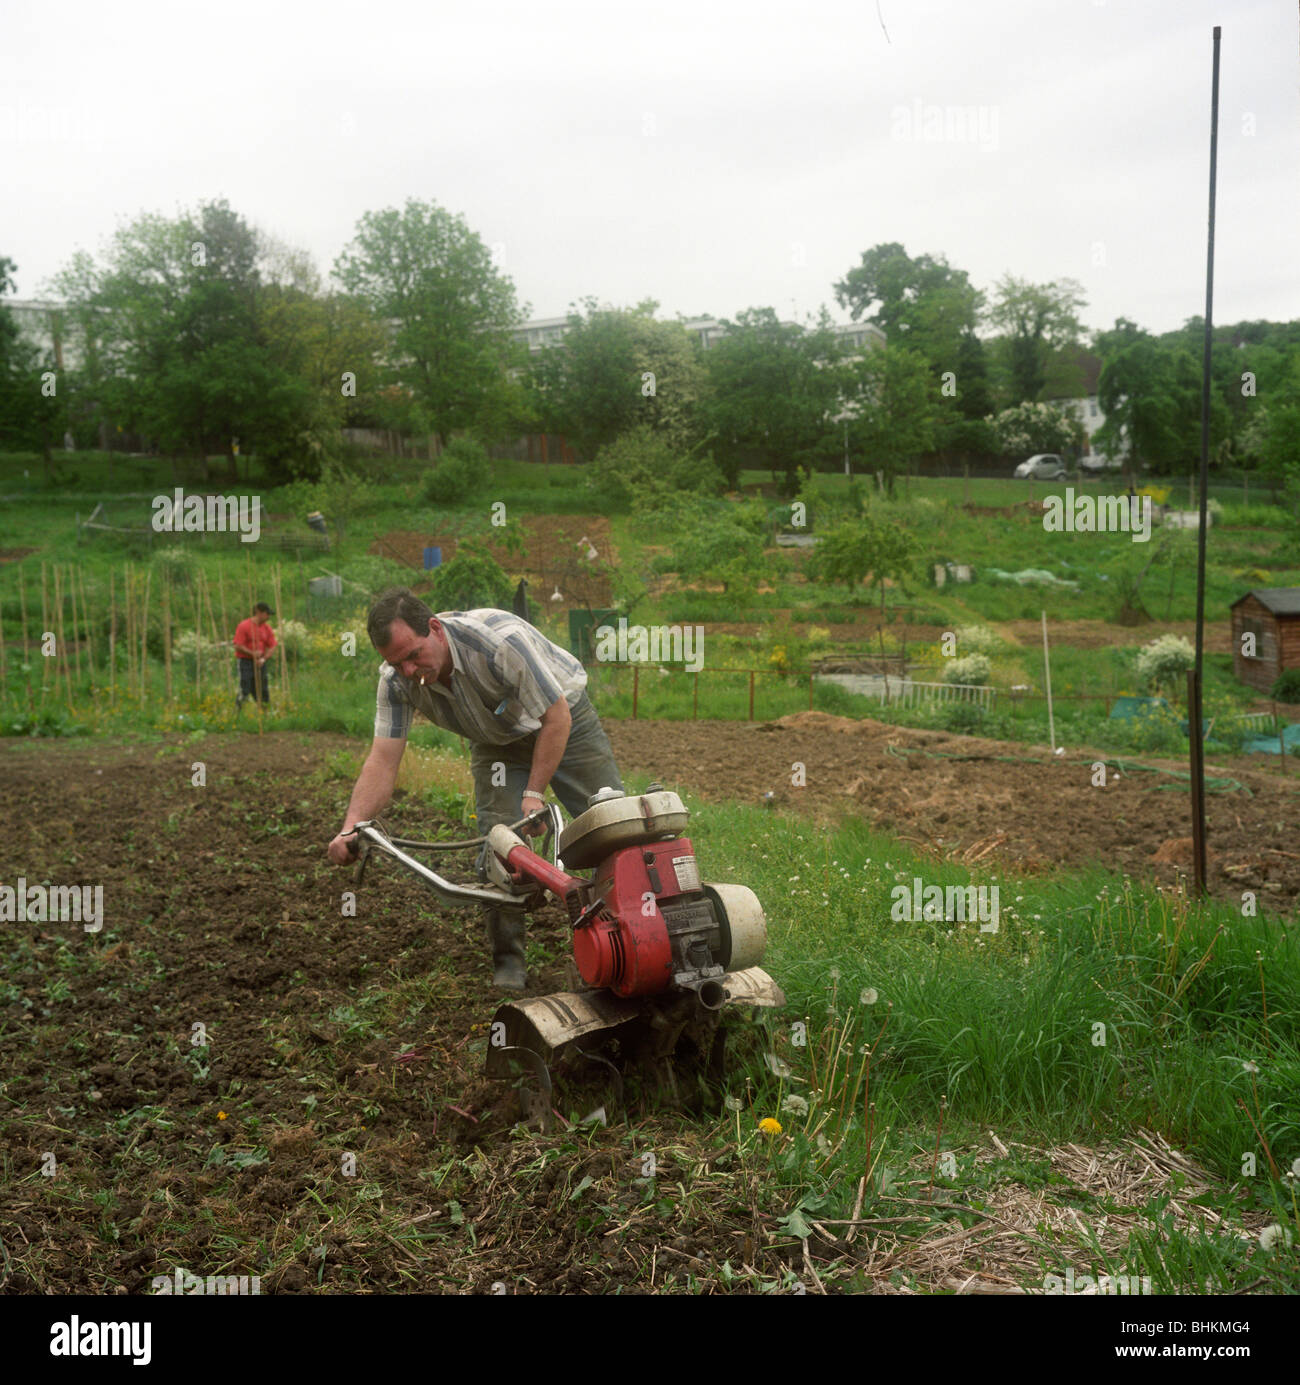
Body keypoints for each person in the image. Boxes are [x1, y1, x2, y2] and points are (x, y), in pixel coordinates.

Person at [325, 589, 625, 989]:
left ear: (435, 628)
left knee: (610, 822)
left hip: (564, 722)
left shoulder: (497, 645)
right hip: (496, 743)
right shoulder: (396, 682)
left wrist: (534, 793)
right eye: (395, 663)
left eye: (414, 655)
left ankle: (636, 933)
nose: (409, 670)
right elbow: (383, 759)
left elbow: (555, 718)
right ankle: (509, 964)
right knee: (500, 846)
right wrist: (352, 824)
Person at [233, 602, 277, 709]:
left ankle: (265, 712)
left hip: (260, 662)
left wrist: (263, 658)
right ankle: (238, 712)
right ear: (259, 613)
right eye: (267, 614)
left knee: (263, 688)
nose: (268, 617)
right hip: (245, 662)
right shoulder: (244, 626)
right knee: (245, 688)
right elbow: (238, 645)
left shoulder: (267, 628)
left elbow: (272, 646)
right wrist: (252, 654)